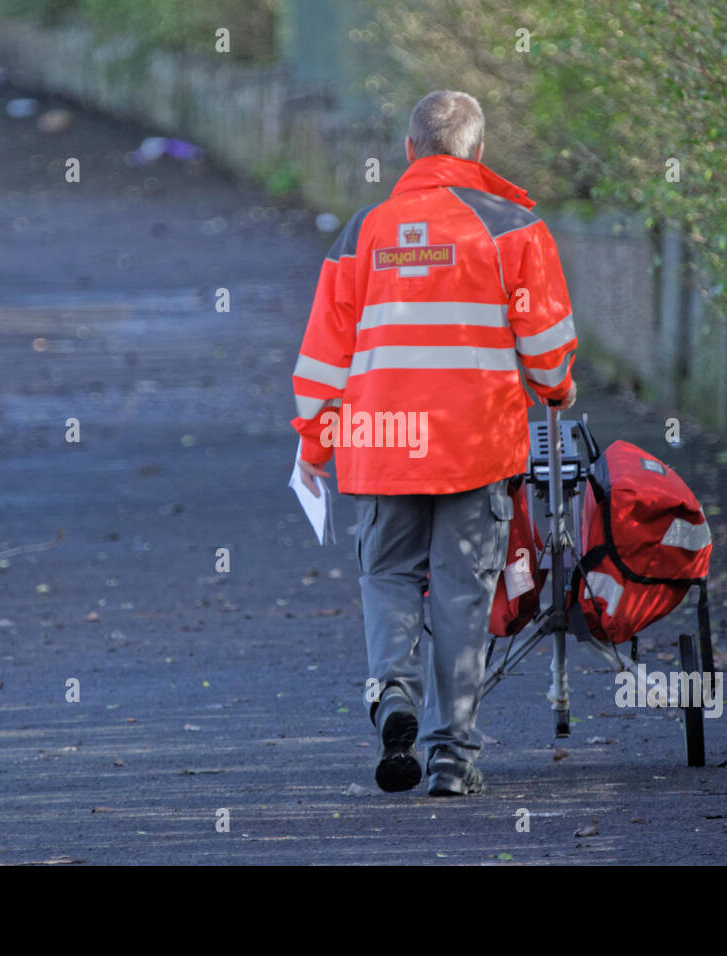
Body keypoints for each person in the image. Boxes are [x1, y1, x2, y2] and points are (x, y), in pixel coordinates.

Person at [290, 90, 577, 796]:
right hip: (475, 443)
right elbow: (546, 352)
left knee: (387, 576)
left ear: (411, 152)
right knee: (460, 592)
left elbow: (325, 358)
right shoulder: (515, 228)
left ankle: (393, 696)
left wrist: (316, 444)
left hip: (380, 442)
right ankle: (454, 756)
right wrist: (557, 391)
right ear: (478, 153)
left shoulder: (363, 231)